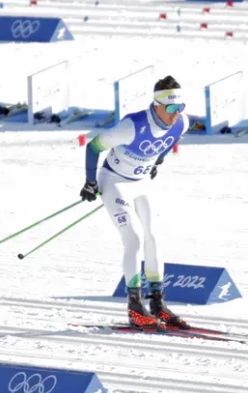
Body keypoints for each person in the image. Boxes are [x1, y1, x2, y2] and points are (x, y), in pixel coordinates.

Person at [79, 75, 190, 329]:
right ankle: (135, 307)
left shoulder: (181, 123)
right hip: (114, 182)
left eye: (180, 107)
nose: (176, 114)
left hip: (141, 183)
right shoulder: (132, 125)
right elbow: (93, 146)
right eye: (171, 108)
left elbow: (167, 142)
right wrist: (90, 182)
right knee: (134, 239)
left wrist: (155, 163)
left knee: (154, 238)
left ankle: (157, 304)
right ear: (157, 105)